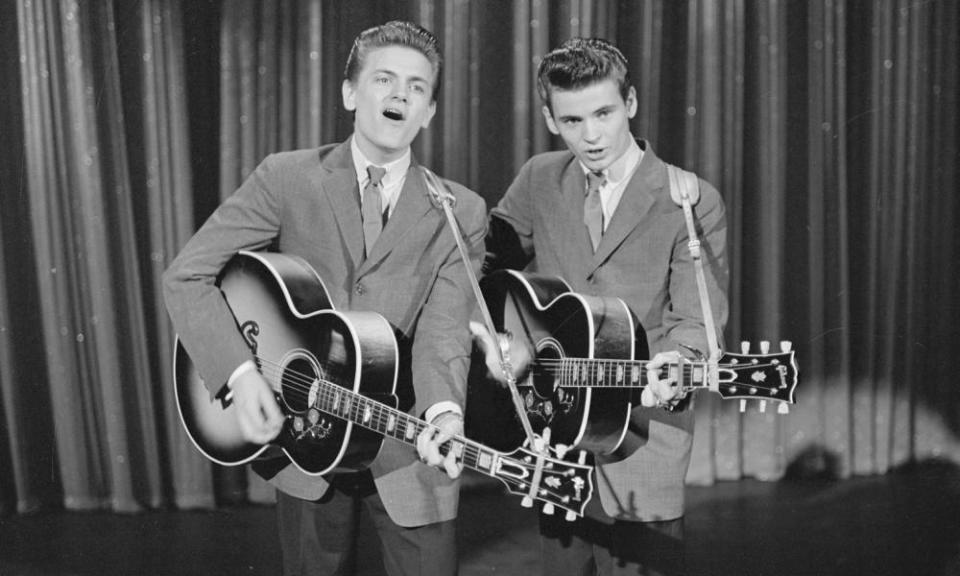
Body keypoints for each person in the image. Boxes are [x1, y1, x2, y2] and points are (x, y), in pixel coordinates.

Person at [163, 21, 485, 576]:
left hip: (407, 445)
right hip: (304, 441)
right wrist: (240, 375)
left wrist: (445, 413)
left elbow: (444, 330)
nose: (399, 96)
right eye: (383, 79)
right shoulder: (287, 178)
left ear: (430, 111)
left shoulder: (462, 211)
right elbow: (187, 275)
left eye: (416, 87)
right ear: (349, 93)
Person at [478, 37, 729, 575]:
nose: (590, 136)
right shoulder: (539, 179)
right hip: (555, 440)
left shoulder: (688, 198)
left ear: (631, 104)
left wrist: (681, 366)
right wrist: (494, 337)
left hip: (643, 440)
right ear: (549, 118)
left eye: (604, 113)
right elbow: (480, 271)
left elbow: (696, 320)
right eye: (572, 120)